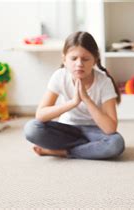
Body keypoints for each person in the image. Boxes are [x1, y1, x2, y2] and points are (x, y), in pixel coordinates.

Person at [24, 31, 125, 159]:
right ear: (64, 60)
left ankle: (64, 152)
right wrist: (73, 102)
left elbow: (110, 129)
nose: (79, 64)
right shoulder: (59, 76)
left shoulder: (104, 82)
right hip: (68, 130)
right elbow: (40, 115)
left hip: (95, 131)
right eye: (73, 58)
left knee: (116, 143)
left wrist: (86, 99)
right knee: (32, 129)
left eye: (85, 59)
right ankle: (89, 148)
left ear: (95, 60)